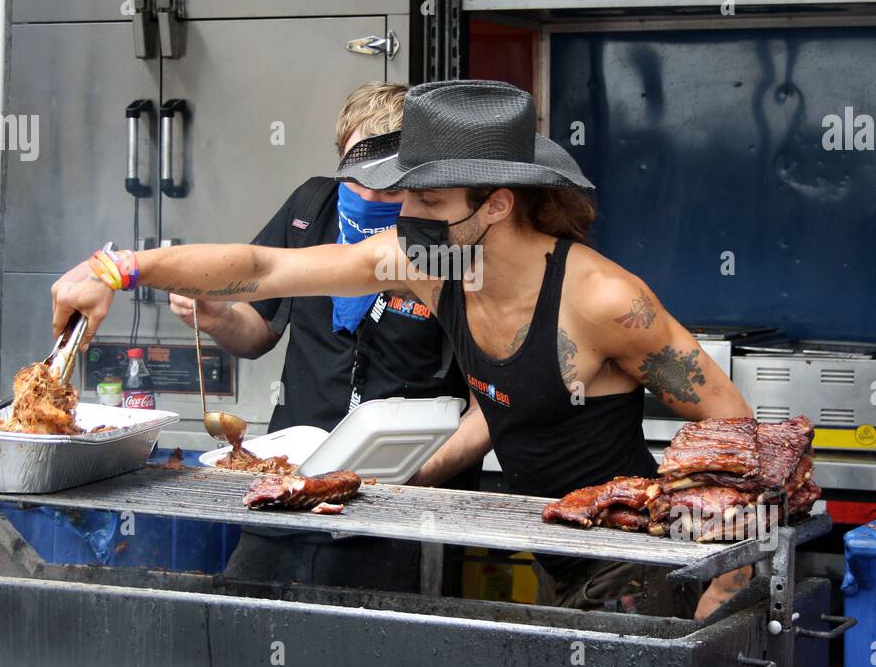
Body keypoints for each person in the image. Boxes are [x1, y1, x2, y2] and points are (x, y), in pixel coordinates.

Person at [53, 79, 753, 618]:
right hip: (560, 546)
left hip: (645, 562)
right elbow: (266, 269)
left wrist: (730, 578)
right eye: (406, 198)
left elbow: (731, 420)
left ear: (498, 205)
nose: (405, 219)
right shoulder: (436, 263)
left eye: (431, 204)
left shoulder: (600, 300)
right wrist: (119, 268)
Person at [167, 82, 488, 593]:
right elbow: (257, 332)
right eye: (355, 179)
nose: (366, 197)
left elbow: (489, 409)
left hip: (401, 506)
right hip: (289, 477)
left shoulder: (454, 247)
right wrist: (217, 314)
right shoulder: (311, 207)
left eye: (388, 187)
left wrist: (417, 474)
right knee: (247, 624)